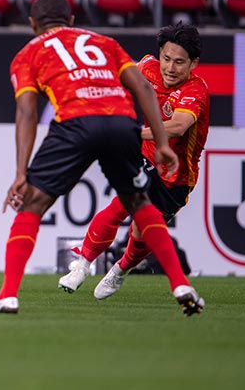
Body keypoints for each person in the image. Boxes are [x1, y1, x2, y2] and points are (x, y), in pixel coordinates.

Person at [0, 0, 203, 316]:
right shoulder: (104, 42)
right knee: (139, 204)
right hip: (121, 122)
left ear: (32, 24)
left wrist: (20, 174)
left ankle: (8, 295)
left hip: (76, 122)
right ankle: (181, 285)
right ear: (71, 21)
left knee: (32, 204)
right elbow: (142, 88)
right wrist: (162, 143)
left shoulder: (28, 54)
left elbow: (27, 112)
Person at [58, 22, 209, 300]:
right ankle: (82, 265)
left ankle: (120, 269)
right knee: (121, 204)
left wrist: (132, 133)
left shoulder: (196, 90)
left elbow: (178, 126)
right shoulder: (147, 67)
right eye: (166, 58)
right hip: (146, 158)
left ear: (193, 63)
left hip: (176, 177)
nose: (170, 68)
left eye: (179, 62)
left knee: (141, 233)